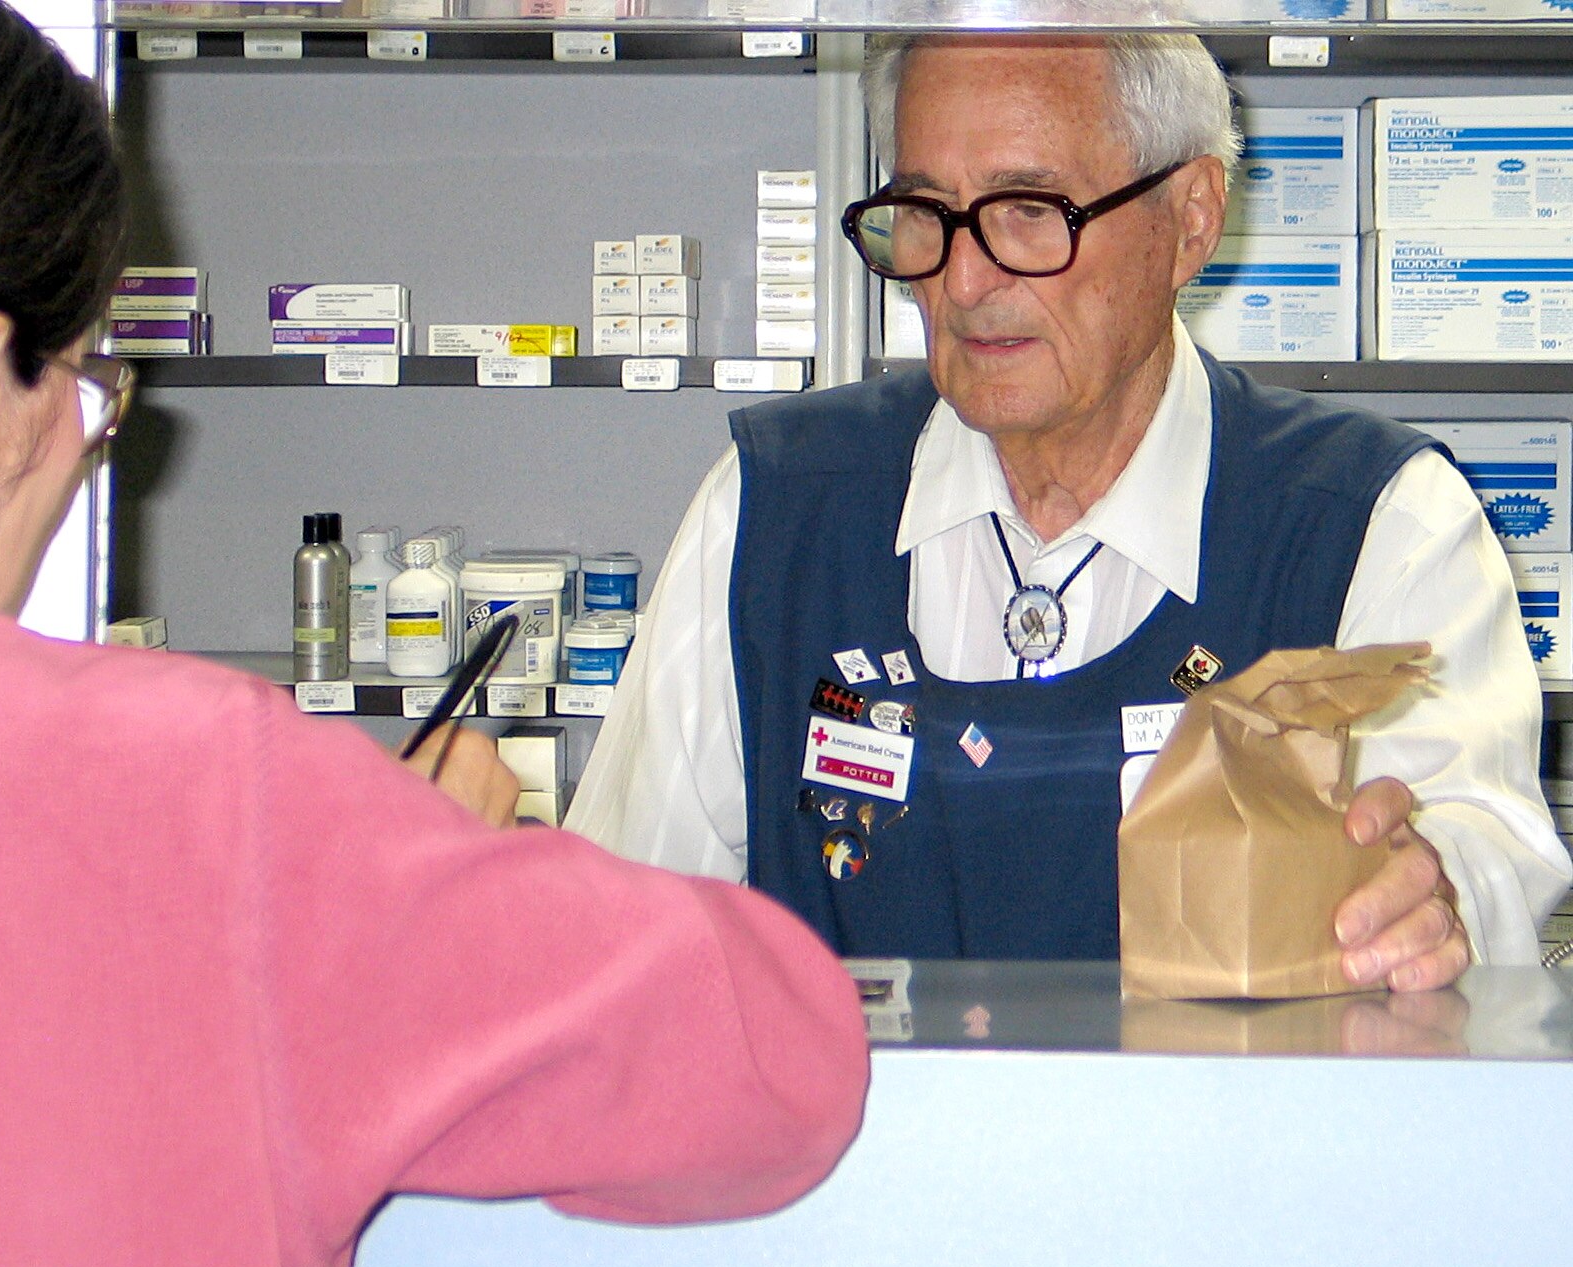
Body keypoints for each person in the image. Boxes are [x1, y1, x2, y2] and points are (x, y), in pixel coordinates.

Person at [0, 3, 869, 1267]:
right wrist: (410, 870)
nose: (79, 454)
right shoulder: (189, 796)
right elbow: (777, 1064)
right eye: (85, 390)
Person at [568, 31, 1571, 992]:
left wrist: (1428, 897)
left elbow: (1478, 852)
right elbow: (617, 923)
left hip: (1226, 1158)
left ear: (1188, 219)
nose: (963, 280)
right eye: (924, 212)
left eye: (1029, 211)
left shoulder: (1370, 521)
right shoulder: (771, 510)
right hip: (860, 1165)